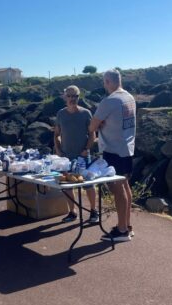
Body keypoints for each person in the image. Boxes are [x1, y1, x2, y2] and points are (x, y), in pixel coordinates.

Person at [89, 69, 136, 242]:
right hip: (127, 148)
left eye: (104, 82)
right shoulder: (129, 98)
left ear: (108, 81)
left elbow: (92, 127)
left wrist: (101, 125)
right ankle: (127, 225)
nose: (104, 85)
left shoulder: (109, 101)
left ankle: (122, 230)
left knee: (117, 189)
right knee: (125, 186)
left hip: (113, 150)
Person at [54, 85, 99, 224]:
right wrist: (59, 151)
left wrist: (86, 148)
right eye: (69, 96)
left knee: (88, 185)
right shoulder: (60, 114)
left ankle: (93, 212)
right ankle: (72, 212)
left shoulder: (86, 113)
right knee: (67, 185)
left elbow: (92, 134)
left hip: (83, 156)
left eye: (75, 96)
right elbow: (56, 134)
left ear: (79, 97)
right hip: (66, 157)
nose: (72, 99)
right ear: (64, 97)